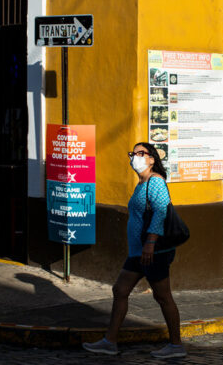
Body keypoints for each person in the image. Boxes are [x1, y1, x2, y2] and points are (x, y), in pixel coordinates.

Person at [82, 142, 186, 359]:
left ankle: (176, 345)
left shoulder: (155, 181)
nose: (135, 157)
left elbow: (160, 212)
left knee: (163, 296)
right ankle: (109, 342)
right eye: (133, 153)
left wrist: (150, 242)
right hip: (138, 252)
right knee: (120, 290)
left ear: (151, 159)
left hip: (152, 251)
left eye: (141, 153)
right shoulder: (141, 184)